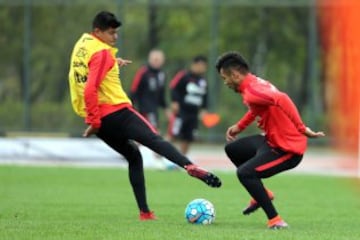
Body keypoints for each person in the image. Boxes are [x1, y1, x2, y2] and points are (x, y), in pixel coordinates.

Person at [68, 11, 221, 221]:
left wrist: (113, 61)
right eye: (111, 33)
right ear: (98, 31)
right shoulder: (102, 53)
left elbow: (88, 67)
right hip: (116, 111)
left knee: (134, 156)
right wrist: (93, 121)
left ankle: (145, 213)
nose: (115, 37)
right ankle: (189, 166)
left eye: (116, 32)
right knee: (155, 140)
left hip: (101, 122)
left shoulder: (83, 44)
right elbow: (90, 89)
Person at [215, 51, 325, 229]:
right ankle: (262, 193)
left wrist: (302, 128)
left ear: (234, 74)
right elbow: (257, 108)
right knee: (233, 149)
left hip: (287, 150)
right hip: (271, 141)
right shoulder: (253, 83)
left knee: (245, 173)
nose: (225, 82)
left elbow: (282, 98)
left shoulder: (252, 90)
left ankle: (276, 220)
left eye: (224, 78)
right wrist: (240, 127)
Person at [168, 56, 209, 155]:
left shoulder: (203, 81)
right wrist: (174, 101)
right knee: (173, 134)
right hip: (181, 111)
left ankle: (183, 159)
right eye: (201, 65)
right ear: (195, 64)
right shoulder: (184, 75)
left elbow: (205, 96)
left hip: (193, 113)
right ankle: (160, 157)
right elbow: (173, 87)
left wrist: (204, 109)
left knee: (188, 137)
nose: (202, 68)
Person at [130, 49, 168, 129]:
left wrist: (165, 108)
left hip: (155, 109)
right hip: (145, 108)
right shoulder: (143, 72)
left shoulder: (162, 74)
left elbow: (161, 93)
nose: (157, 62)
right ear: (150, 59)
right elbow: (134, 89)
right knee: (151, 130)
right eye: (155, 59)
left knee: (152, 131)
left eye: (159, 59)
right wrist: (131, 106)